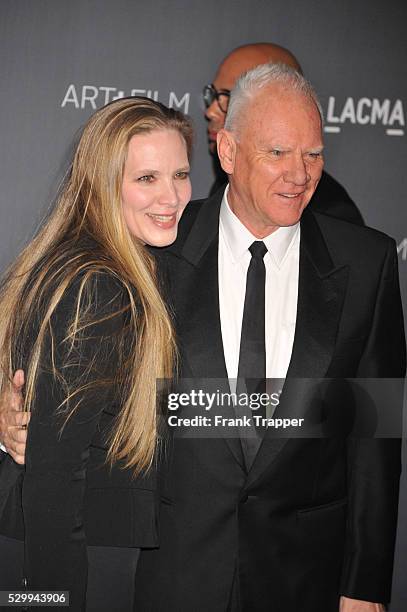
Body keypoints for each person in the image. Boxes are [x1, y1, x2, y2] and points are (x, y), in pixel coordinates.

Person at [1, 66, 404, 612]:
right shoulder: (150, 248)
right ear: (230, 152)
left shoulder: (367, 261)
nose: (299, 174)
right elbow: (71, 405)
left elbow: (373, 434)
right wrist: (15, 420)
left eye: (313, 154)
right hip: (165, 570)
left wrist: (364, 581)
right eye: (279, 152)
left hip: (302, 572)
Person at [0, 96, 192, 611]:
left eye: (180, 174)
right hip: (71, 552)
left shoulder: (89, 262)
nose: (171, 197)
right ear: (102, 185)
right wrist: (51, 598)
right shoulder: (100, 285)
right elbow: (55, 468)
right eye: (146, 179)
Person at [203, 42, 365, 225]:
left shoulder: (334, 221)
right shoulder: (229, 186)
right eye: (277, 153)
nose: (211, 111)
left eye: (230, 97)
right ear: (227, 151)